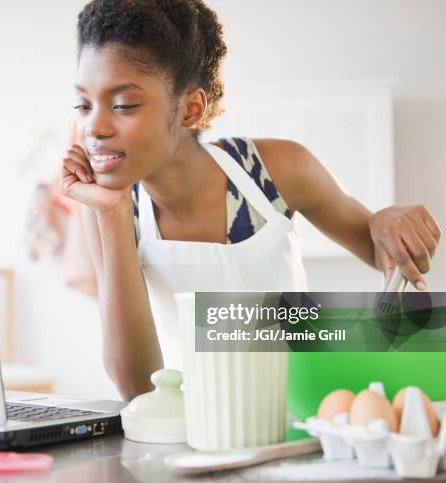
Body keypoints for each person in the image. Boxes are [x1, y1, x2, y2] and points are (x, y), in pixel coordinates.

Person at [61, 0, 441, 401]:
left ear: (191, 108)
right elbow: (136, 386)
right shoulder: (112, 208)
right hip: (188, 433)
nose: (94, 128)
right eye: (84, 105)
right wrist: (112, 212)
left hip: (299, 420)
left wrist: (390, 224)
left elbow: (385, 251)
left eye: (123, 105)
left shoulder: (277, 170)